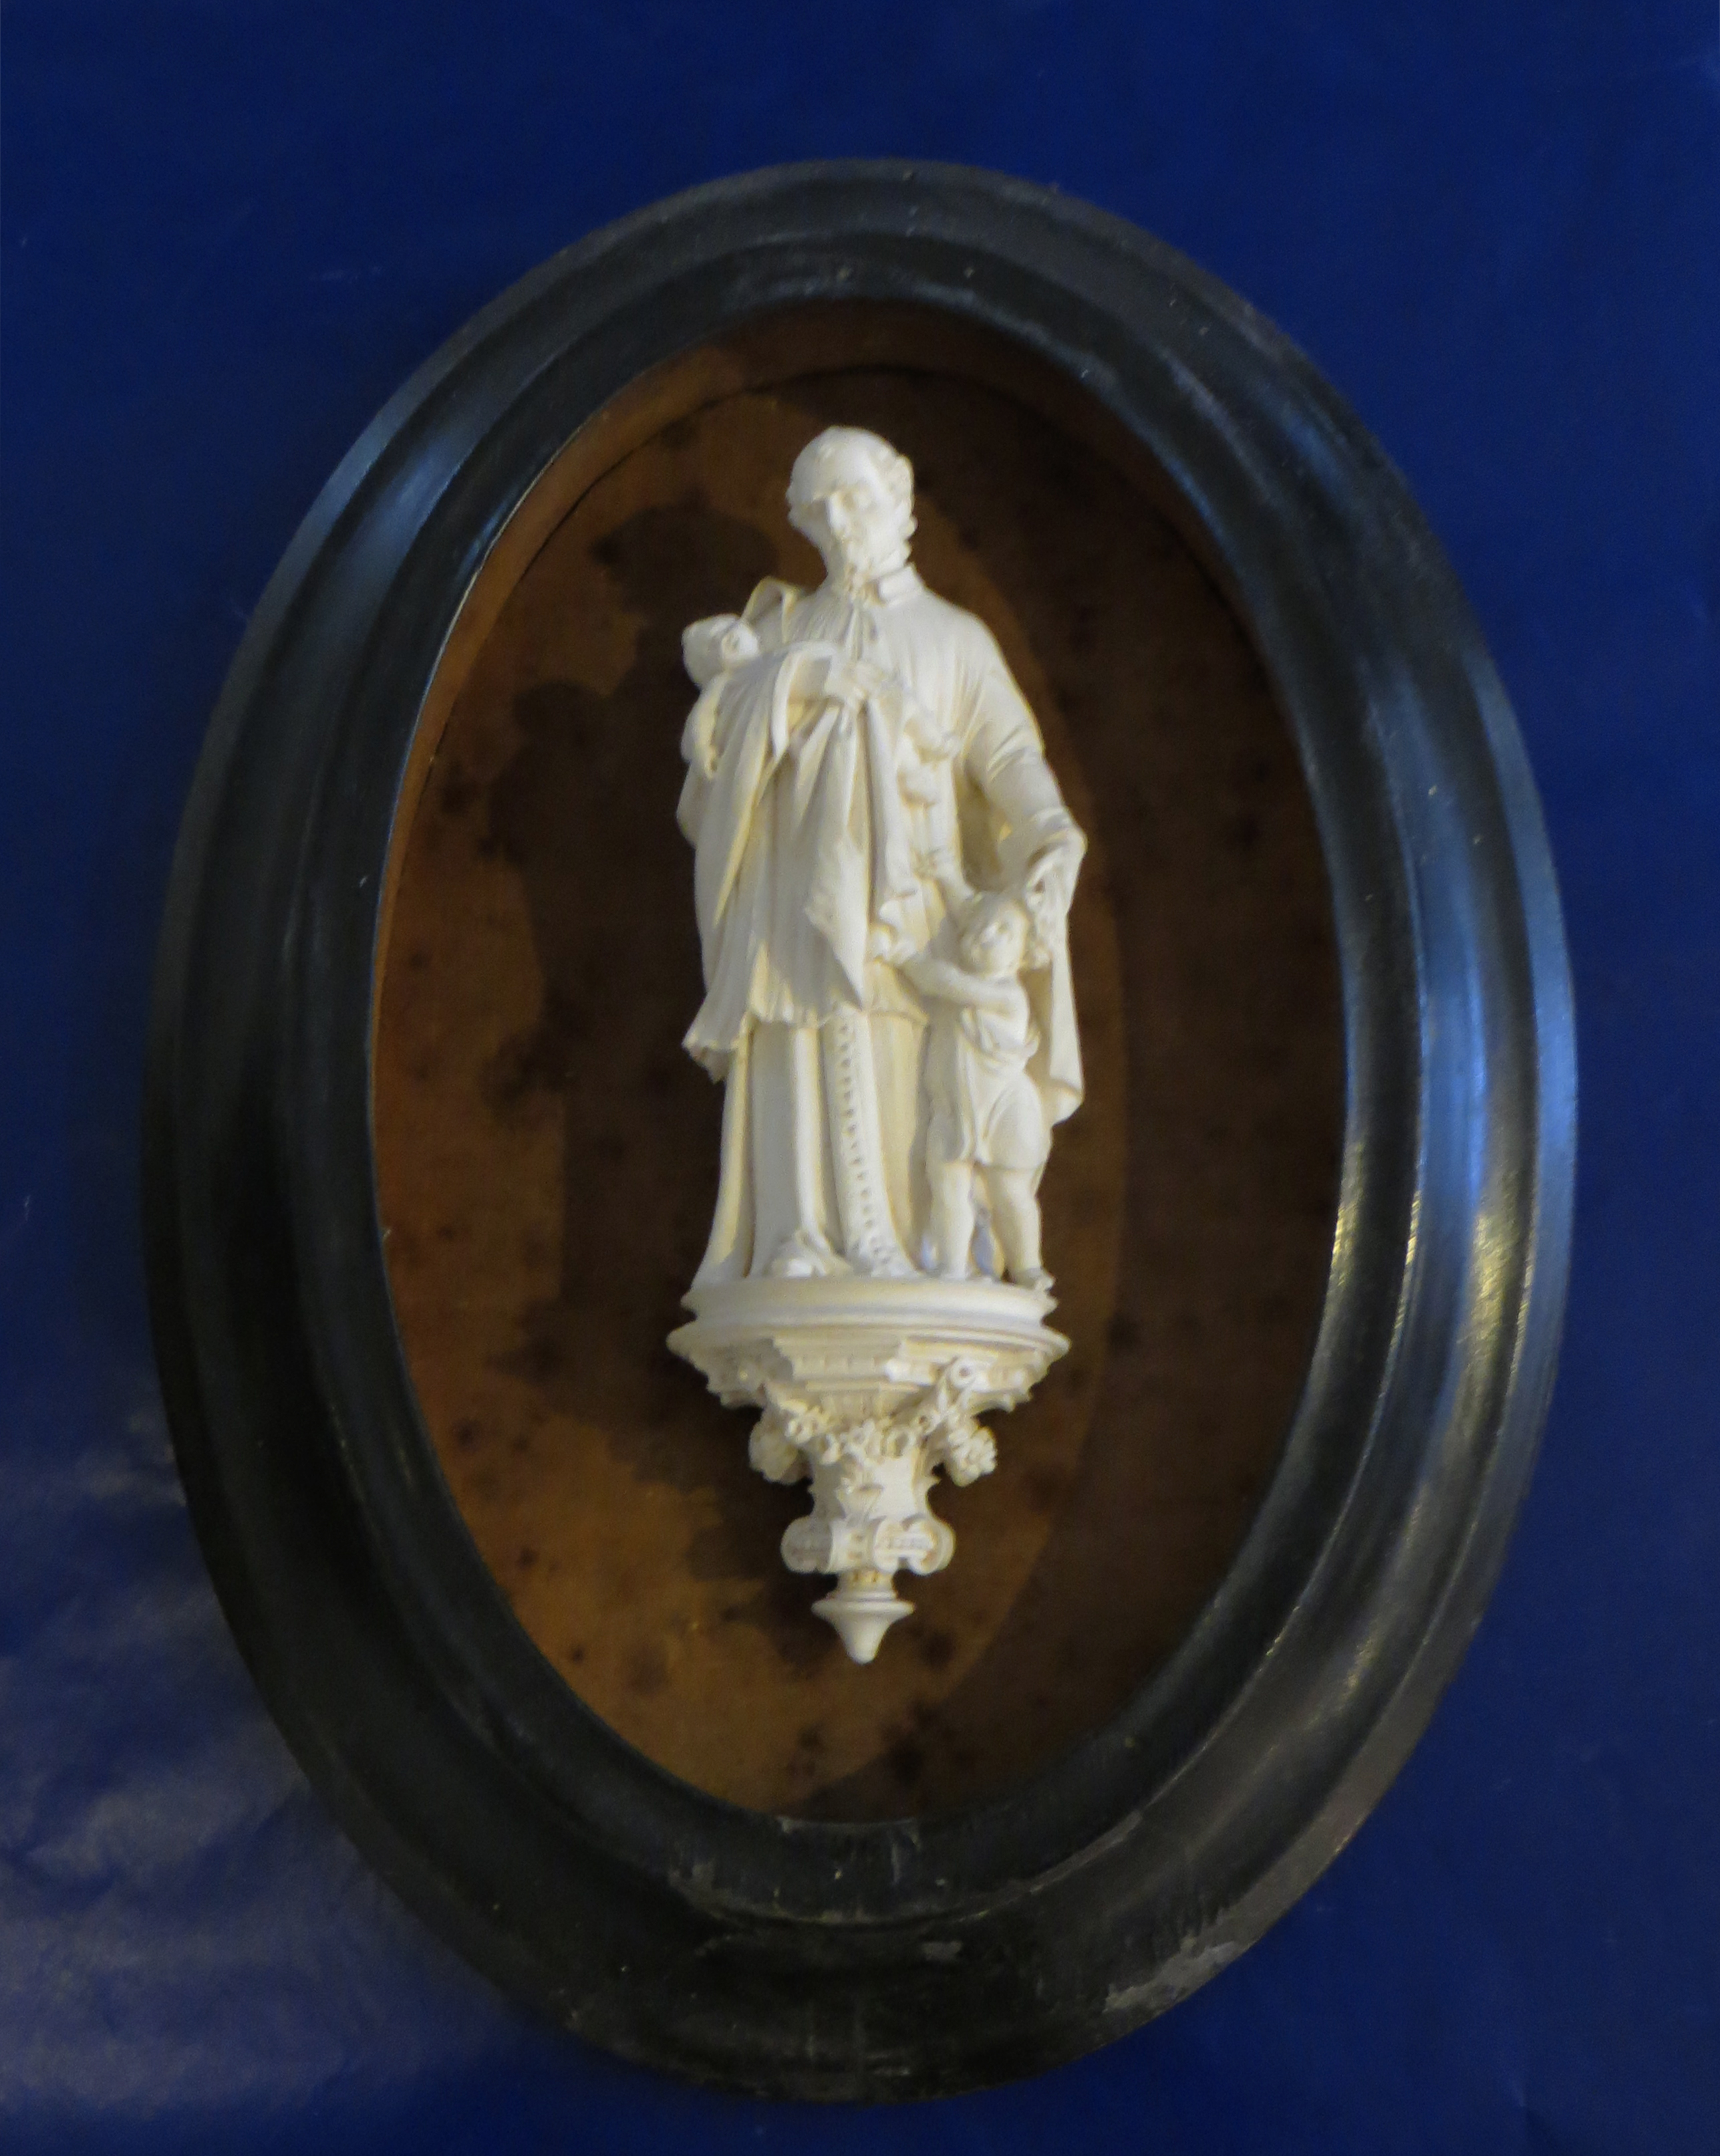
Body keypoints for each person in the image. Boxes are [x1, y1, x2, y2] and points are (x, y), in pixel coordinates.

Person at [675, 425, 1085, 1285]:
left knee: (910, 1071)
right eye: (817, 508)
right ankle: (796, 1237)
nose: (838, 522)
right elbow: (716, 744)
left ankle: (921, 1252)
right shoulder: (780, 629)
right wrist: (789, 683)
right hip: (790, 891)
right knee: (796, 1043)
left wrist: (1051, 829)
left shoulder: (955, 637)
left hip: (910, 894)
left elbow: (1007, 755)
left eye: (855, 498)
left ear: (900, 498)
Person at [903, 892, 1052, 1290]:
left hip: (1005, 1109)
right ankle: (952, 1265)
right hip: (955, 1108)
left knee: (1009, 1191)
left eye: (1003, 930)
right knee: (948, 1184)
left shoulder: (1008, 996)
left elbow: (942, 981)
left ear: (1022, 954)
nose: (986, 935)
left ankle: (1027, 1267)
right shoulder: (956, 996)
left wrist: (902, 954)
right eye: (977, 927)